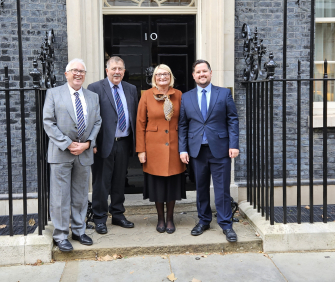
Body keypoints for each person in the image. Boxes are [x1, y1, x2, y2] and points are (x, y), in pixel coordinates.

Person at [43, 58, 101, 252]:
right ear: (66, 73)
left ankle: (78, 230)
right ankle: (60, 235)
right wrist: (68, 144)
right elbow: (48, 122)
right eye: (74, 70)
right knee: (60, 197)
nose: (78, 74)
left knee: (80, 195)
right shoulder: (53, 93)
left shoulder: (92, 96)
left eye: (82, 71)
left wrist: (87, 144)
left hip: (84, 154)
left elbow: (98, 122)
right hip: (61, 153)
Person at [178, 59, 239, 242]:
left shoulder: (224, 94)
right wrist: (183, 149)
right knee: (201, 188)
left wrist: (234, 144)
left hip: (220, 149)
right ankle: (204, 220)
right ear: (193, 75)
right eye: (198, 72)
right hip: (197, 151)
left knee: (222, 189)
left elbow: (232, 120)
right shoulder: (186, 97)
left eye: (204, 71)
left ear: (210, 73)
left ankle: (226, 224)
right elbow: (182, 125)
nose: (201, 74)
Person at [88, 56, 138, 234]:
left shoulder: (131, 89)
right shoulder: (94, 88)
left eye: (120, 69)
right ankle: (99, 218)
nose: (117, 72)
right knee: (101, 182)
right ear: (106, 70)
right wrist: (92, 142)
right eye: (114, 68)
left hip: (124, 142)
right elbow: (90, 118)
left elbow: (135, 116)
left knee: (119, 181)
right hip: (102, 144)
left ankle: (118, 214)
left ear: (124, 71)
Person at [136, 64, 186, 234]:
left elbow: (183, 122)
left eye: (165, 74)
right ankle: (160, 219)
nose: (162, 77)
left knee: (172, 184)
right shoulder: (147, 96)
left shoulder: (178, 95)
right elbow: (140, 123)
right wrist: (141, 150)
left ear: (170, 76)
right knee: (158, 186)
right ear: (154, 78)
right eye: (159, 75)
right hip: (153, 148)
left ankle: (170, 218)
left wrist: (184, 148)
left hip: (174, 146)